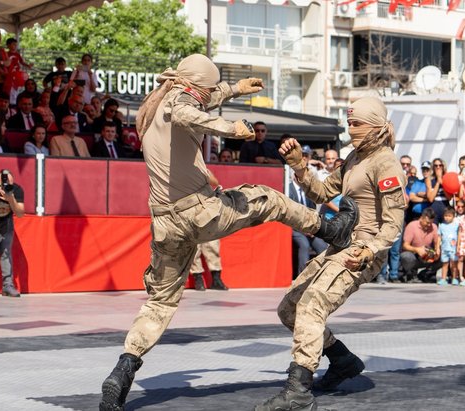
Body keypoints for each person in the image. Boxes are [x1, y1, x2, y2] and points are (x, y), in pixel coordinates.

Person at [98, 54, 359, 411]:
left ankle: (123, 369)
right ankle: (330, 228)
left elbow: (200, 97)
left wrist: (234, 89)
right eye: (205, 90)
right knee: (268, 198)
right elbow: (190, 110)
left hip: (165, 222)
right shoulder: (179, 103)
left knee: (159, 303)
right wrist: (229, 128)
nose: (207, 95)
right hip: (198, 214)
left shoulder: (156, 106)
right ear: (191, 87)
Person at [256, 96, 406, 411]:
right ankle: (342, 360)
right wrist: (300, 165)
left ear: (375, 125)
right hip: (341, 247)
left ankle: (298, 392)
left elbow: (393, 224)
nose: (351, 130)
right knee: (289, 309)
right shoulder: (353, 158)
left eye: (357, 124)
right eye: (349, 123)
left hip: (363, 251)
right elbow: (323, 193)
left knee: (312, 307)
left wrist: (370, 250)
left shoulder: (386, 162)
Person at [0, 169, 24, 297]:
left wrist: (11, 198)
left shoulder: (16, 190)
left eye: (9, 184)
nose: (6, 187)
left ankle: (8, 285)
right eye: (3, 185)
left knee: (6, 250)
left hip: (6, 221)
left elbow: (20, 214)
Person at [288, 172, 328, 279]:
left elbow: (313, 211)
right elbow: (289, 214)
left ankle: (322, 276)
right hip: (294, 228)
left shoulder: (308, 191)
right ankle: (303, 277)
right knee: (304, 245)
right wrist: (303, 230)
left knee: (322, 246)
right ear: (296, 177)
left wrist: (312, 229)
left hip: (309, 229)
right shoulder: (288, 190)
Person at [400, 207, 441, 283]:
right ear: (421, 218)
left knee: (443, 256)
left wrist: (437, 249)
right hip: (413, 255)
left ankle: (425, 274)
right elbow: (405, 246)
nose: (429, 225)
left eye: (431, 223)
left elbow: (436, 243)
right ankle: (410, 273)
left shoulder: (434, 227)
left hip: (426, 255)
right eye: (427, 222)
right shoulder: (412, 226)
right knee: (406, 256)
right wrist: (417, 249)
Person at [437, 207, 460, 285]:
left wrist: (458, 246)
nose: (447, 217)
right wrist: (437, 248)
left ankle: (454, 278)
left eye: (449, 216)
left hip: (453, 248)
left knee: (454, 264)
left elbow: (459, 236)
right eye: (446, 215)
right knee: (445, 264)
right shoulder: (441, 225)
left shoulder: (457, 225)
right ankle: (443, 279)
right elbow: (439, 237)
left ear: (453, 216)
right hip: (444, 248)